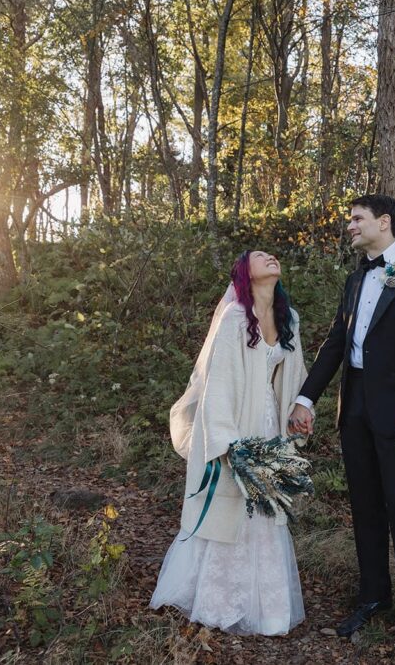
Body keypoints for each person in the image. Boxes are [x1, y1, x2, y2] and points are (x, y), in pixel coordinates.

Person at [288, 194, 395, 651]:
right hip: (353, 411)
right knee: (364, 507)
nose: (350, 226)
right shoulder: (355, 279)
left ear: (384, 222)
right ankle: (375, 596)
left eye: (357, 220)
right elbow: (336, 344)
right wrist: (306, 398)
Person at [150, 250, 309, 636]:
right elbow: (217, 385)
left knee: (266, 510)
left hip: (270, 423)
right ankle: (221, 603)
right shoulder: (235, 316)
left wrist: (298, 414)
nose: (271, 257)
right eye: (260, 256)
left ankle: (269, 610)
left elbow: (295, 374)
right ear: (244, 273)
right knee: (232, 506)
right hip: (236, 424)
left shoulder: (290, 318)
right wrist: (228, 442)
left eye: (273, 255)